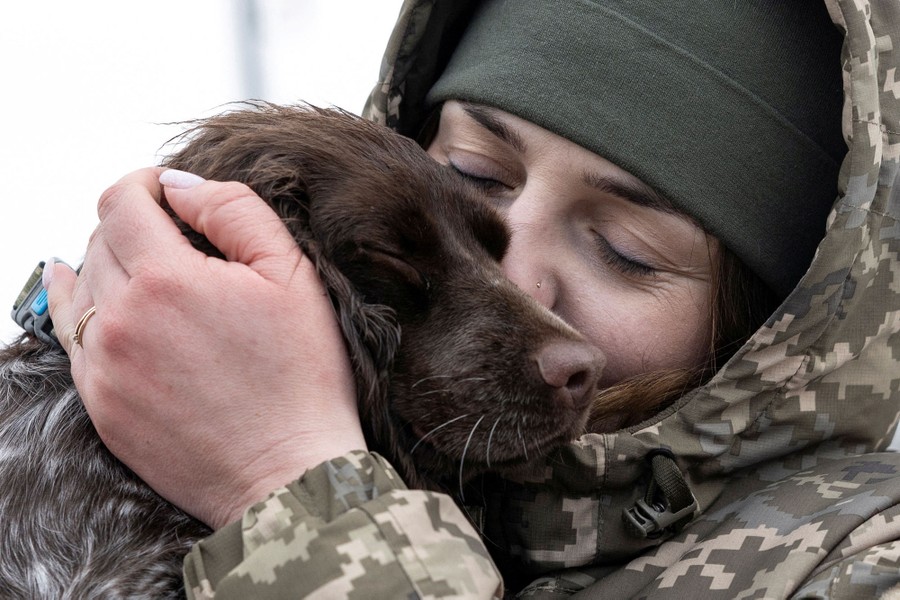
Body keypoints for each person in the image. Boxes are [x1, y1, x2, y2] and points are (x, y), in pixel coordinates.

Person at [43, 0, 900, 597]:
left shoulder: (859, 564)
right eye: (472, 177)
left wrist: (292, 486)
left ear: (771, 330)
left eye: (624, 251)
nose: (507, 279)